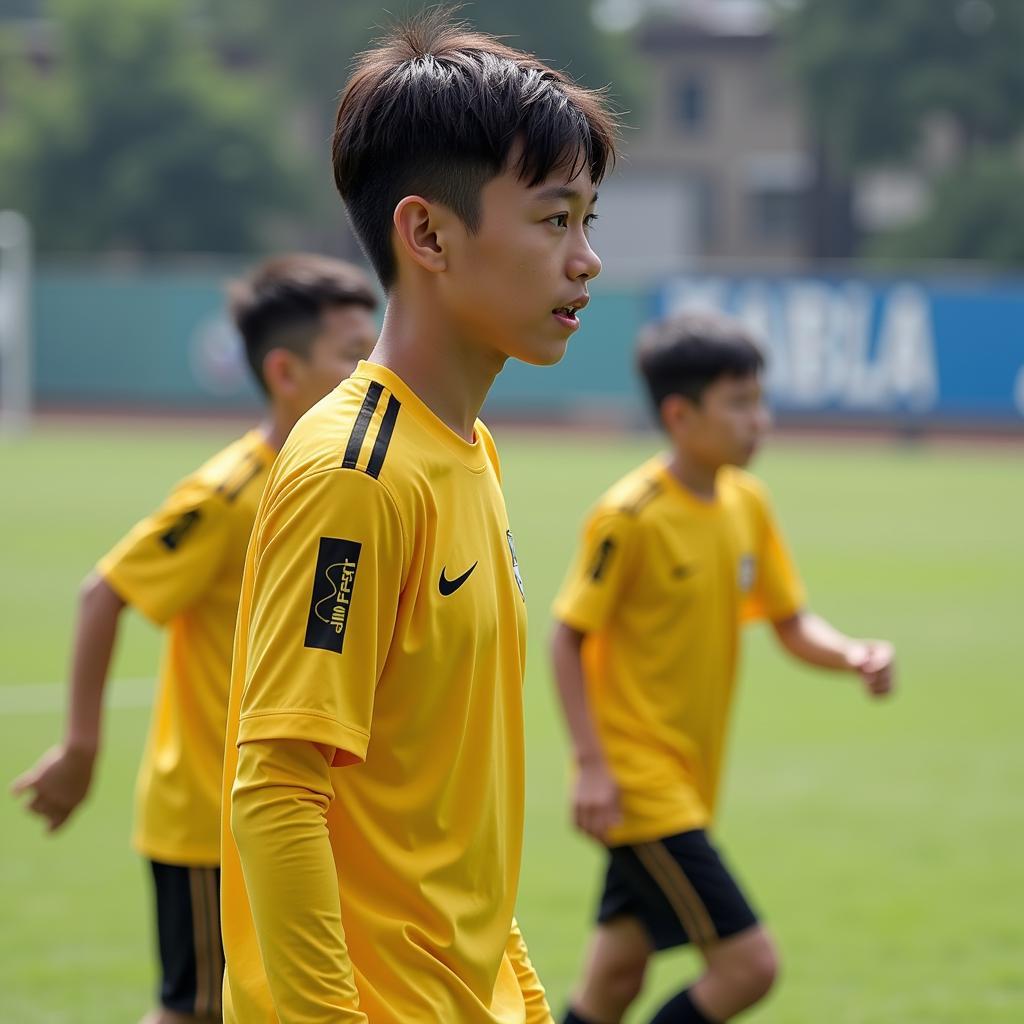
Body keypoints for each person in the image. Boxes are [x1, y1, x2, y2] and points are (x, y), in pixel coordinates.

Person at [218, 10, 617, 1024]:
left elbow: (450, 815)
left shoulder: (467, 450)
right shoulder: (355, 475)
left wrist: (521, 996)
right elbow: (277, 789)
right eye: (553, 218)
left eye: (588, 221)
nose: (586, 261)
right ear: (427, 233)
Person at [11, 253, 378, 1024]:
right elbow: (104, 592)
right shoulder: (229, 493)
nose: (370, 367)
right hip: (212, 815)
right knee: (199, 1012)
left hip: (300, 809)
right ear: (284, 370)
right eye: (351, 352)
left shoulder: (337, 482)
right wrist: (80, 748)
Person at [551, 311, 896, 1024]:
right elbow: (566, 636)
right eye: (738, 404)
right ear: (679, 414)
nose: (759, 421)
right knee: (749, 966)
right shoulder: (631, 515)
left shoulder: (746, 503)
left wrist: (851, 653)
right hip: (641, 785)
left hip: (692, 776)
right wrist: (591, 762)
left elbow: (791, 623)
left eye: (759, 400)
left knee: (614, 980)